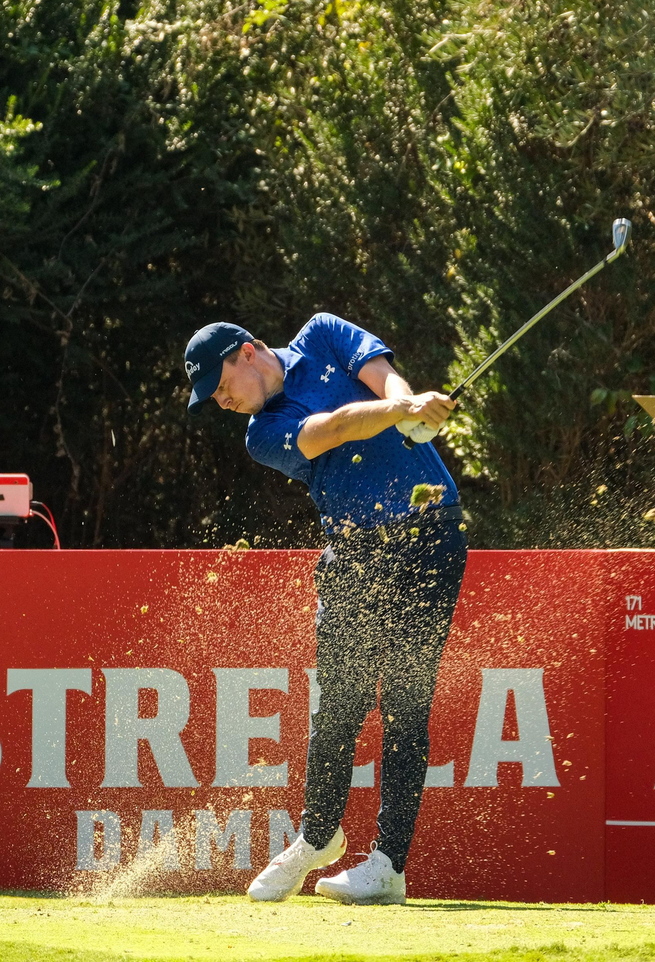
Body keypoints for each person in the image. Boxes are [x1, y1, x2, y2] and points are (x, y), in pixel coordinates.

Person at [184, 314, 468, 906]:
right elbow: (334, 429)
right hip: (356, 552)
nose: (223, 401)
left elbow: (382, 375)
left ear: (247, 353)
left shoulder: (322, 334)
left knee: (407, 704)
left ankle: (388, 865)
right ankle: (318, 835)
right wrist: (401, 413)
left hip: (428, 535)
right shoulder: (264, 432)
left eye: (220, 386)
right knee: (338, 706)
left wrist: (408, 402)